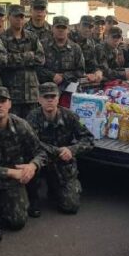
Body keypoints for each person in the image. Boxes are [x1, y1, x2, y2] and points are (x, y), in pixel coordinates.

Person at [0, 86, 47, 237]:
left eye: (3, 101)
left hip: (13, 178)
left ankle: (9, 202)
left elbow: (41, 151)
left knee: (17, 222)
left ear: (9, 104)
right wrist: (11, 173)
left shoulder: (20, 125)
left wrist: (33, 165)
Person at [26, 82, 94, 215]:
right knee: (28, 160)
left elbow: (89, 139)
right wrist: (56, 151)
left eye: (53, 96)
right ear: (39, 100)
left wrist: (71, 149)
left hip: (62, 163)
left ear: (58, 98)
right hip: (41, 161)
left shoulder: (70, 116)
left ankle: (61, 186)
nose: (50, 100)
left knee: (70, 206)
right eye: (46, 97)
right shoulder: (32, 117)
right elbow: (31, 142)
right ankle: (33, 197)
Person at [1, 4, 45, 119]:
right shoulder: (2, 38)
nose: (19, 19)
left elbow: (40, 59)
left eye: (21, 17)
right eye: (16, 16)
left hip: (32, 93)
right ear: (9, 17)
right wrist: (28, 56)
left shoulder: (32, 37)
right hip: (12, 93)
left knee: (33, 126)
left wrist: (16, 59)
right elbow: (3, 60)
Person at [37, 16, 85, 90]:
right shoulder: (43, 46)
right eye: (58, 27)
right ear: (52, 28)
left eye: (63, 28)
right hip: (47, 89)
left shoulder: (75, 48)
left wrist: (64, 76)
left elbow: (80, 71)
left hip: (69, 89)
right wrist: (52, 75)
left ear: (68, 29)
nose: (61, 30)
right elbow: (37, 67)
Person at [72, 15, 104, 85]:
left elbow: (92, 63)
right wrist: (83, 75)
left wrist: (97, 71)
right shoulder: (69, 39)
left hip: (84, 81)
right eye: (84, 26)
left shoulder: (90, 43)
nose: (87, 29)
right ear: (78, 26)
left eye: (90, 27)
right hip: (67, 80)